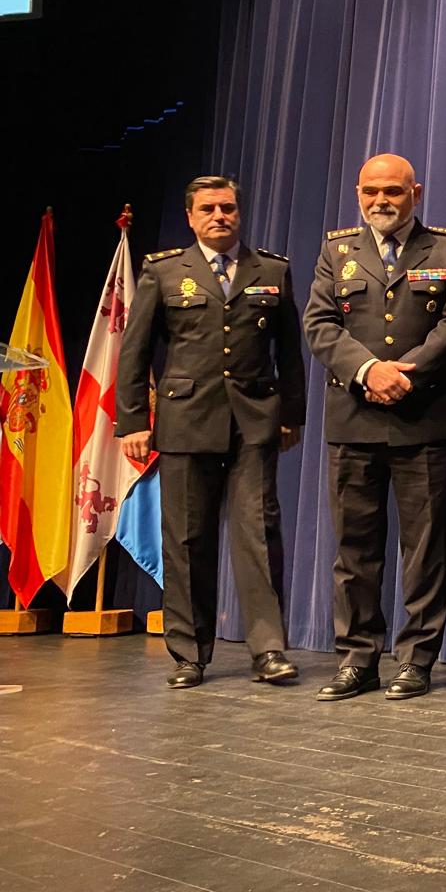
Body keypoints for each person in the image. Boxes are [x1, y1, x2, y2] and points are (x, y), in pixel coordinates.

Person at [116, 175, 305, 689]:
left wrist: (291, 414)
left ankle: (268, 650)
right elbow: (134, 353)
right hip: (185, 421)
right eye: (208, 209)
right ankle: (189, 652)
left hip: (253, 422)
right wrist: (133, 421)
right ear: (191, 217)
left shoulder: (272, 269)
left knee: (258, 536)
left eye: (227, 208)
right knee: (186, 539)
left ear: (239, 213)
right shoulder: (163, 270)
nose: (219, 216)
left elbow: (290, 350)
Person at [302, 153, 446, 702]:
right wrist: (368, 370)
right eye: (372, 192)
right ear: (358, 193)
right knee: (354, 550)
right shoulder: (338, 250)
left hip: (425, 418)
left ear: (415, 193)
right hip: (354, 417)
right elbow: (319, 323)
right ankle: (357, 660)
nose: (382, 201)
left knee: (425, 550)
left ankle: (417, 660)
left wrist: (406, 374)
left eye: (394, 192)